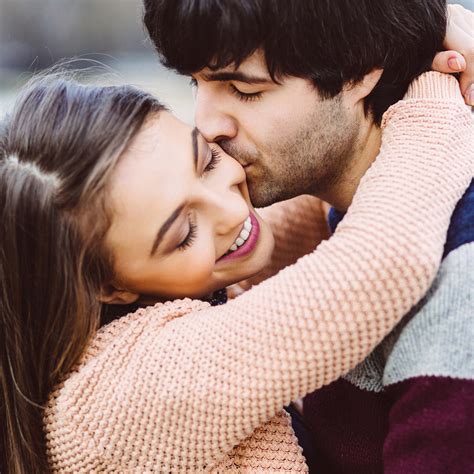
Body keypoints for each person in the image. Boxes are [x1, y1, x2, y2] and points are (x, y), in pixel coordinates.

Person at [0, 67, 471, 473]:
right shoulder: (129, 394)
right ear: (109, 286)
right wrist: (432, 90)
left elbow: (320, 195)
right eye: (184, 232)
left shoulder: (186, 284)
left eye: (205, 161)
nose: (229, 208)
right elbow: (379, 265)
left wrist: (397, 35)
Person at [143, 0, 474, 471]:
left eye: (243, 89)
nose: (207, 125)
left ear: (361, 71)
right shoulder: (341, 213)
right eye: (195, 83)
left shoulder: (459, 271)